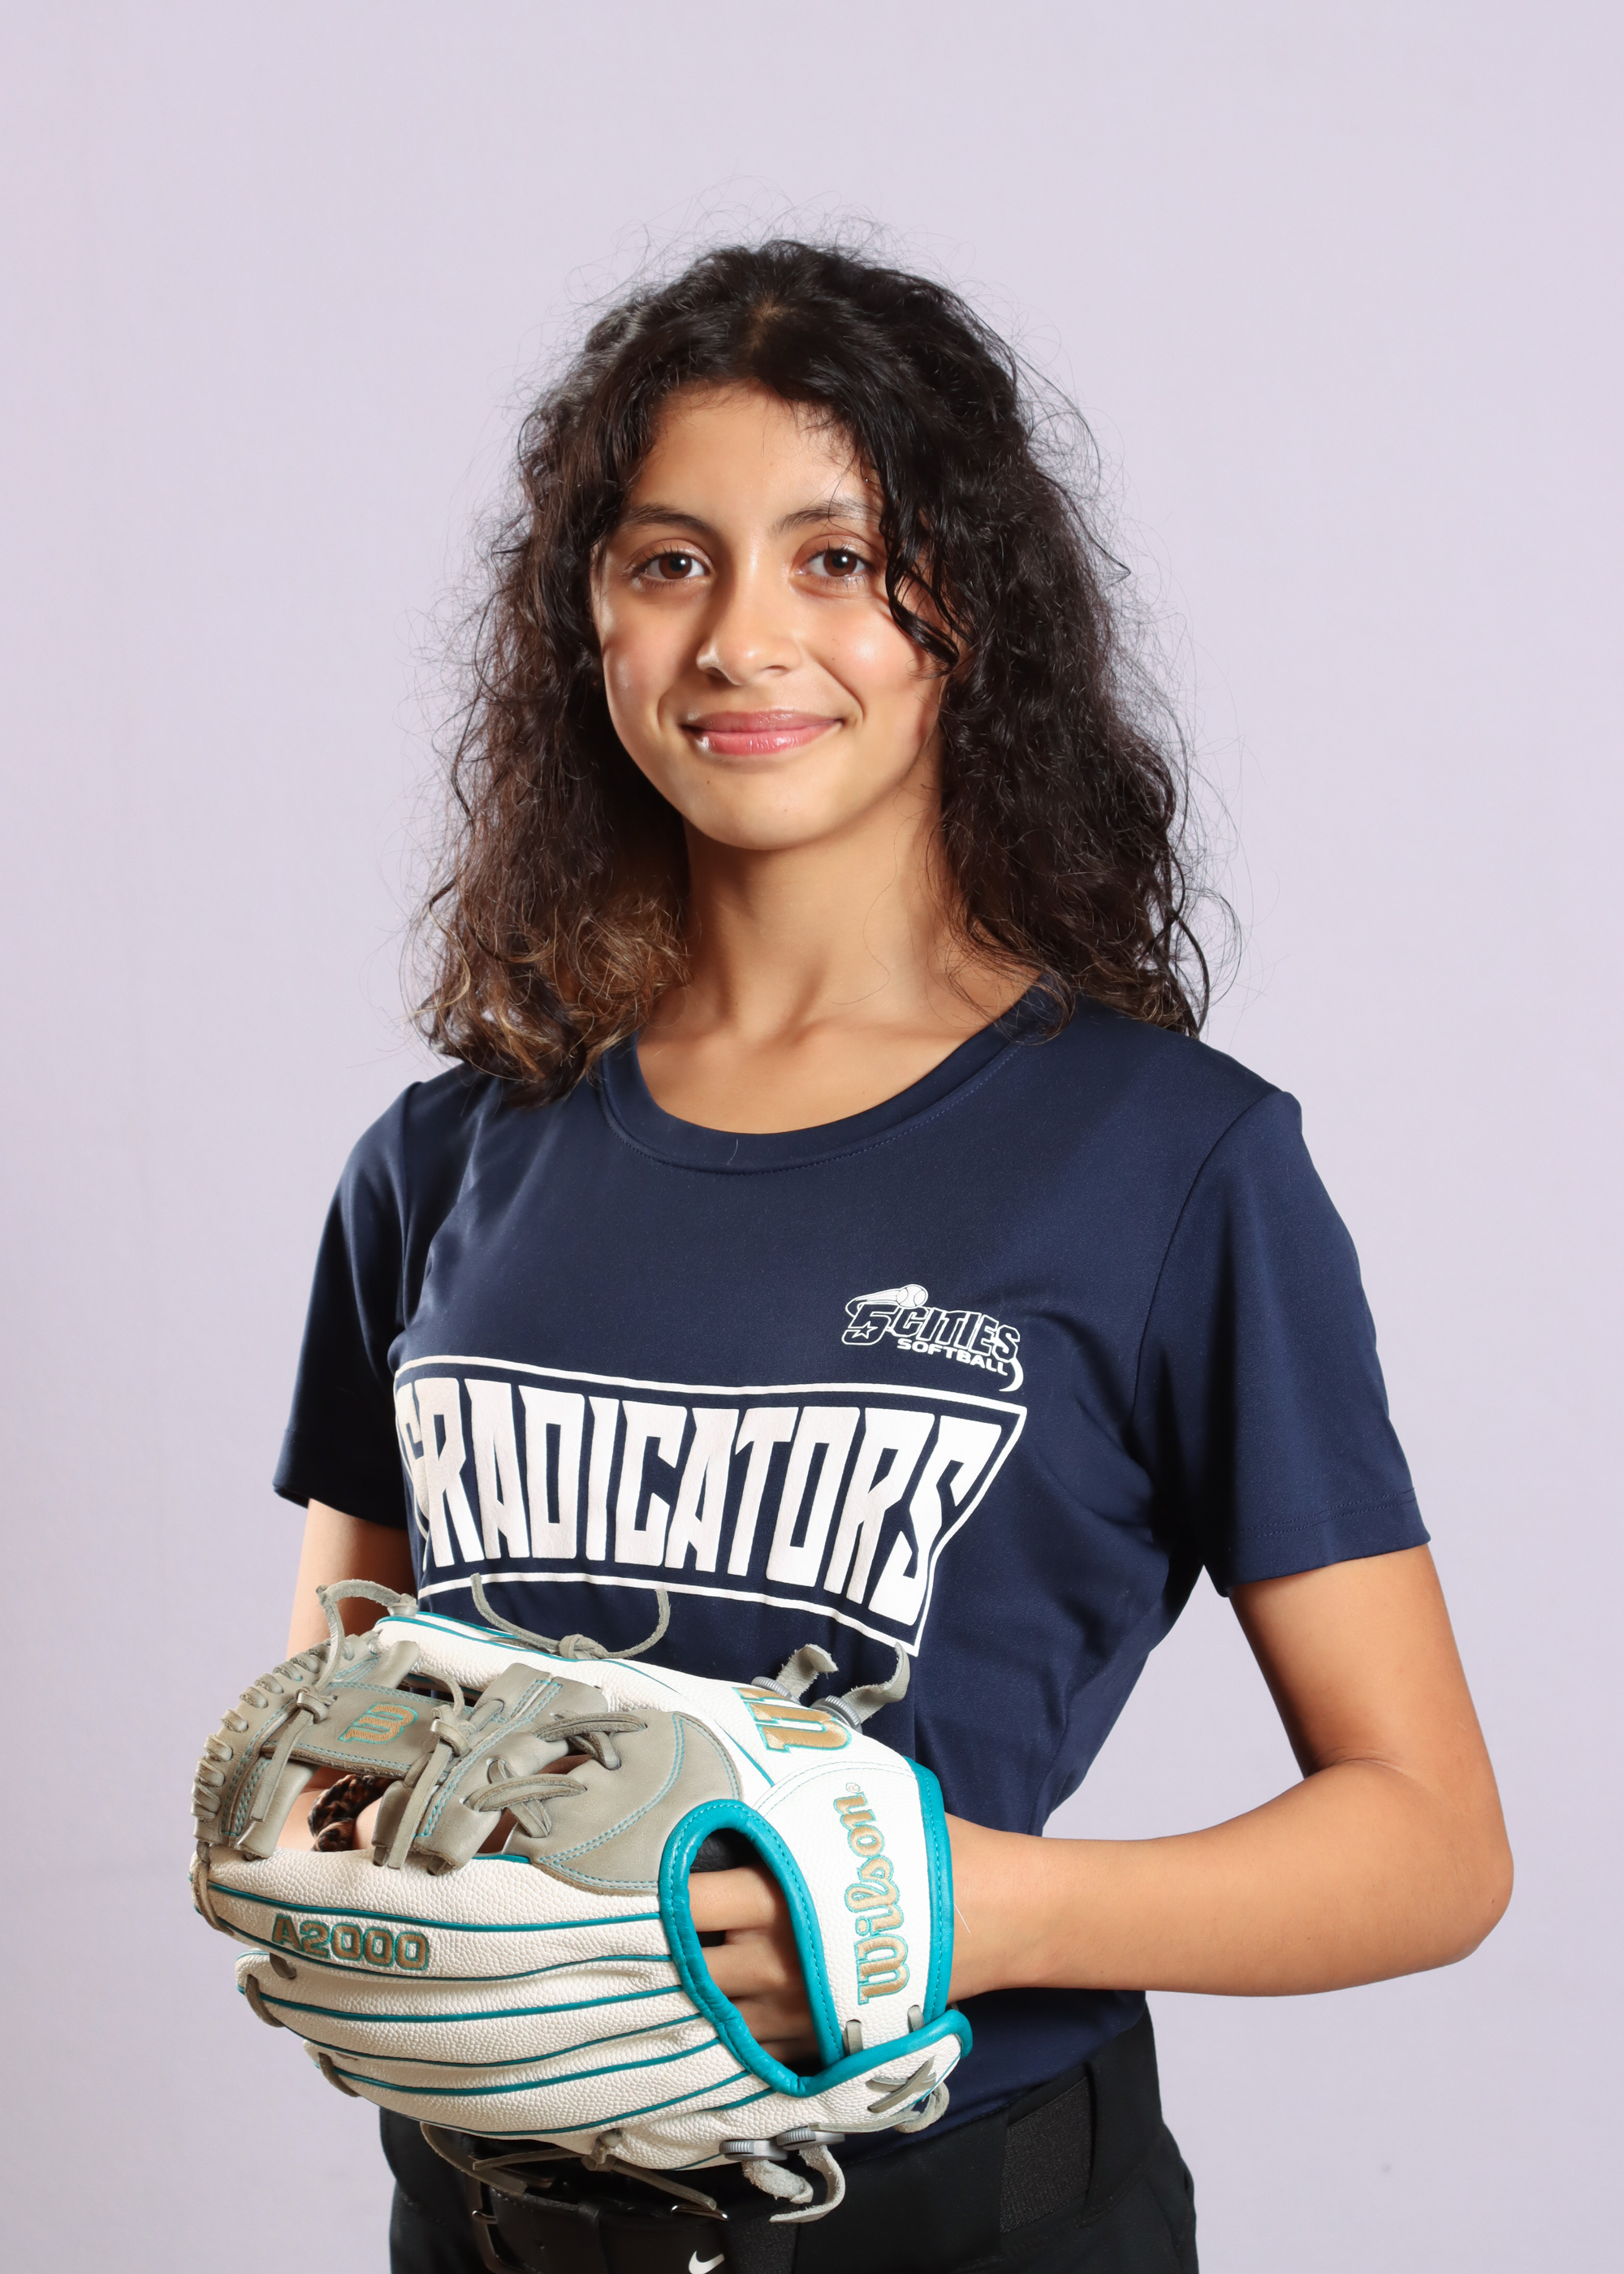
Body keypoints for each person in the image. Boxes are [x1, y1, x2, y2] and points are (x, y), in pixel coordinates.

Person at [271, 240, 1512, 2274]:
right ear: (587, 614)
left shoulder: (1167, 1160)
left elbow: (1434, 1840)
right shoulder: (442, 1157)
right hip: (485, 2226)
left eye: (836, 557)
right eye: (669, 561)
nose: (744, 637)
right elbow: (342, 1711)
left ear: (970, 613)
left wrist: (954, 1906)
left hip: (961, 2220)